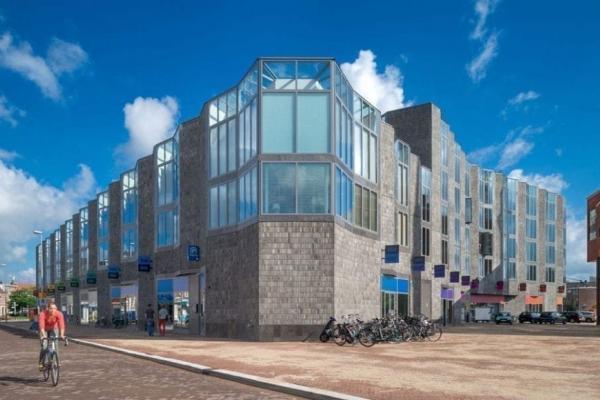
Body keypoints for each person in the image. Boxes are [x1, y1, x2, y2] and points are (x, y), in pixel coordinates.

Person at [38, 301, 66, 370]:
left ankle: (56, 362)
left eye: (55, 308)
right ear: (48, 308)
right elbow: (41, 326)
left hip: (54, 328)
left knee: (56, 344)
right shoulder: (42, 314)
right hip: (44, 329)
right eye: (51, 308)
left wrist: (62, 335)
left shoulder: (59, 313)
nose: (53, 310)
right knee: (44, 346)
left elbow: (61, 325)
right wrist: (44, 336)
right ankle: (41, 363)